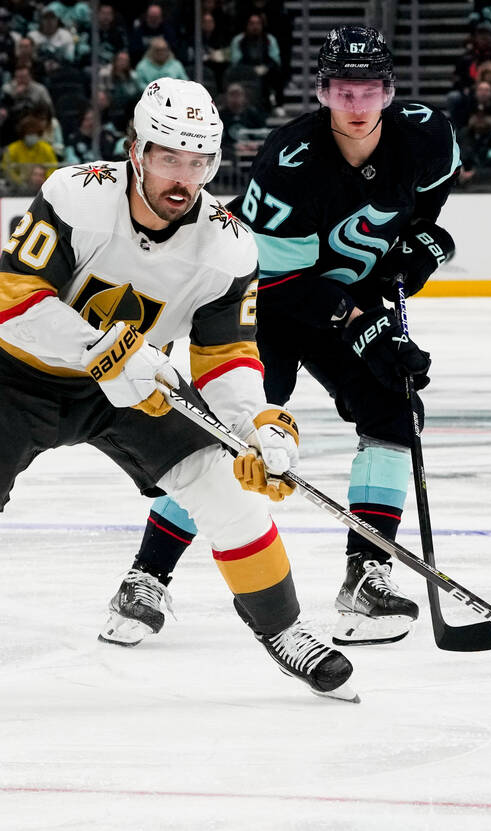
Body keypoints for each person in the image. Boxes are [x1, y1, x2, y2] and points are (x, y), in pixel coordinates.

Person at [0, 78, 357, 710]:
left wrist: (259, 422)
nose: (183, 178)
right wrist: (104, 352)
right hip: (15, 376)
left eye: (198, 161)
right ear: (136, 151)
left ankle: (287, 630)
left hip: (132, 388)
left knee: (226, 490)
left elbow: (225, 355)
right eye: (168, 158)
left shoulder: (229, 244)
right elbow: (7, 304)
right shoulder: (77, 197)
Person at [99, 26, 457, 649]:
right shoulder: (292, 159)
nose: (356, 103)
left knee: (395, 412)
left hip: (337, 295)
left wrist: (417, 254)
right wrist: (365, 323)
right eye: (343, 90)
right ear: (322, 92)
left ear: (388, 92)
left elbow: (420, 216)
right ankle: (146, 576)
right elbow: (285, 282)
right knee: (232, 435)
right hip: (263, 298)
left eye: (368, 89)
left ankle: (365, 578)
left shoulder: (426, 134)